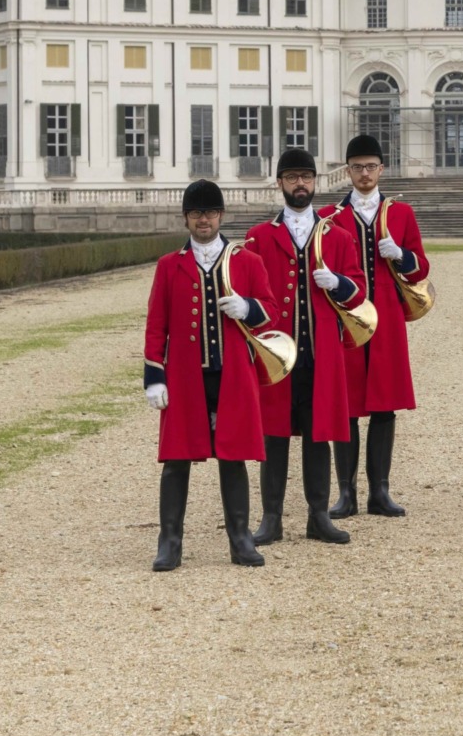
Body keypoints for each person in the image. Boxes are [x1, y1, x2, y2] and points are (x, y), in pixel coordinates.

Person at [142, 179, 280, 571]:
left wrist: (248, 307)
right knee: (176, 459)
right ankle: (170, 541)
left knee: (233, 457)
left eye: (210, 212)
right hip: (185, 378)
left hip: (232, 374)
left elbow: (269, 310)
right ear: (186, 217)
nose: (204, 220)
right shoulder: (170, 266)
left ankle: (240, 540)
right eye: (197, 213)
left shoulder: (247, 261)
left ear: (221, 215)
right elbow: (156, 326)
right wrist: (154, 376)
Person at [245, 149, 367, 546]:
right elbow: (248, 295)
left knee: (318, 435)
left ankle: (318, 515)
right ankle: (271, 518)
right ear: (279, 183)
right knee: (273, 435)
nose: (301, 184)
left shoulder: (339, 236)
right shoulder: (259, 237)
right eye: (292, 177)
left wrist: (339, 283)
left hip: (321, 353)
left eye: (307, 177)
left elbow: (359, 292)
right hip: (277, 355)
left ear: (316, 182)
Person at [319, 135, 430, 518]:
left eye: (370, 166)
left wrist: (402, 256)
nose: (364, 174)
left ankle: (379, 491)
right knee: (346, 405)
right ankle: (346, 492)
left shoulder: (401, 213)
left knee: (385, 404)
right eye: (357, 167)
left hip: (387, 317)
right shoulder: (330, 218)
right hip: (346, 319)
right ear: (347, 171)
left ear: (382, 169)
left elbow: (422, 270)